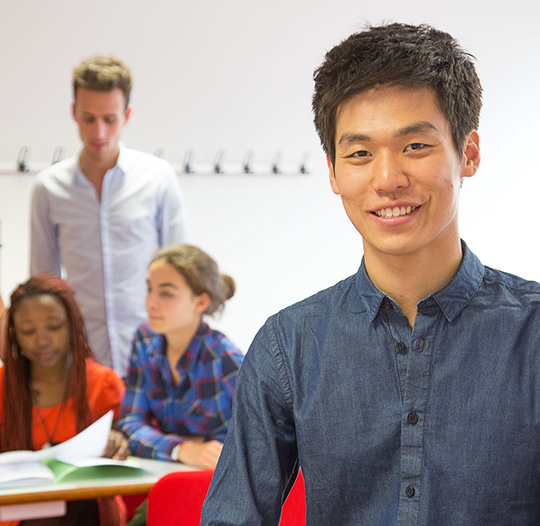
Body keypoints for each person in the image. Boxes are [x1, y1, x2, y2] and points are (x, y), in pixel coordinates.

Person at [201, 23, 540, 525]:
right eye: (360, 153)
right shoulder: (288, 345)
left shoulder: (531, 334)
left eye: (415, 147)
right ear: (335, 173)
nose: (387, 179)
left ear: (467, 153)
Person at [30, 55, 189, 377]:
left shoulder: (157, 179)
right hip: (79, 361)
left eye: (110, 119)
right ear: (73, 112)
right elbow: (42, 284)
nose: (98, 131)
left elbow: (182, 274)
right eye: (88, 118)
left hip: (153, 356)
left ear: (126, 115)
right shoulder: (48, 189)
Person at [0, 273, 129, 526]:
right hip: (18, 511)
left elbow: (123, 455)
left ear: (73, 324)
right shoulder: (4, 387)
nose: (42, 340)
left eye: (54, 326)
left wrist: (116, 444)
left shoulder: (104, 384)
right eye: (28, 330)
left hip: (89, 508)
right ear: (14, 333)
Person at [118, 243, 243, 468]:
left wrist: (203, 448)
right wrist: (181, 448)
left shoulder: (226, 359)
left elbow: (258, 444)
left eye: (166, 293)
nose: (150, 303)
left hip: (219, 485)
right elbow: (129, 425)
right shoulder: (144, 340)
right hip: (166, 475)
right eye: (149, 289)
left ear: (201, 302)